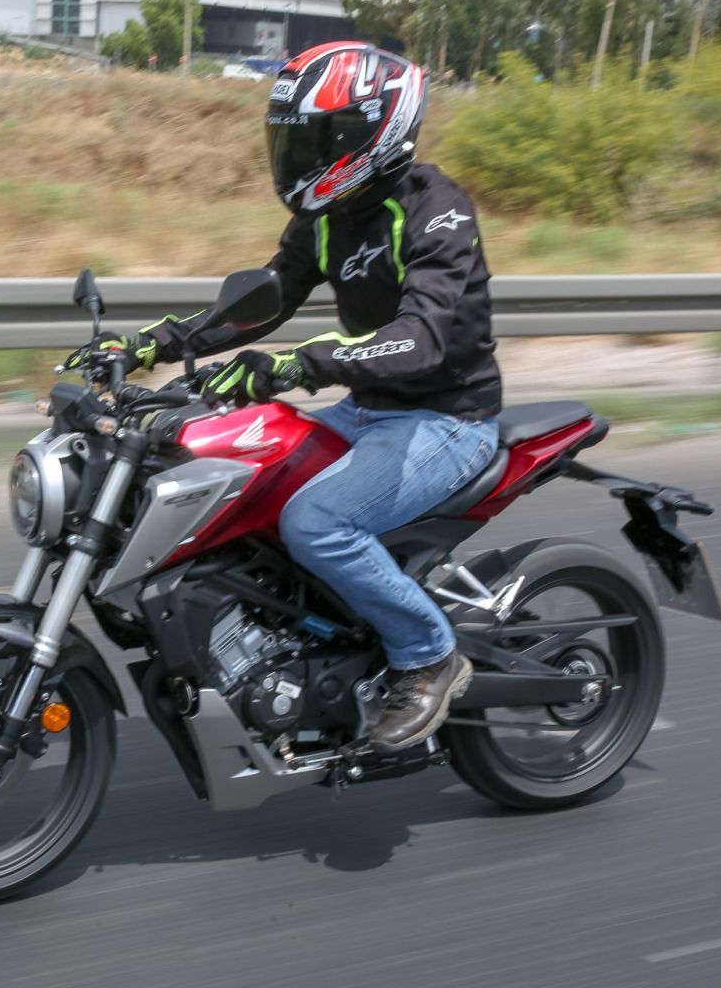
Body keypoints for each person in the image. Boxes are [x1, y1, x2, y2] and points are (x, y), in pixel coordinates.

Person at [65, 42, 502, 750]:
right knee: (236, 484)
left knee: (316, 523)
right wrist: (148, 345)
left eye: (320, 138)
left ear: (373, 131)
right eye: (293, 139)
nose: (300, 155)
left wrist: (299, 364)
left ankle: (428, 655)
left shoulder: (435, 209)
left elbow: (420, 339)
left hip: (447, 419)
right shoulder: (326, 218)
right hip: (368, 410)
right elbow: (258, 307)